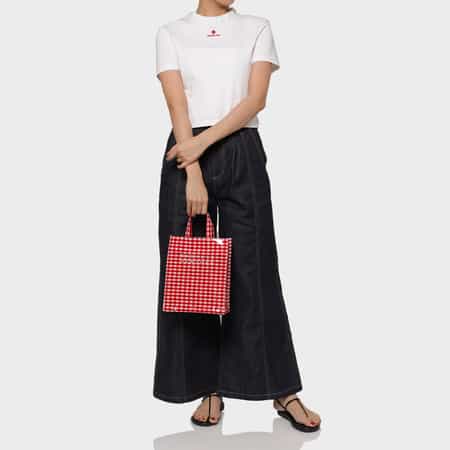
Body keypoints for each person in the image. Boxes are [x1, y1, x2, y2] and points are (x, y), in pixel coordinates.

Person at [153, 0, 321, 432]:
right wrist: (193, 169)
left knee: (256, 270)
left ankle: (282, 389)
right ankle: (207, 387)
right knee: (192, 275)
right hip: (186, 155)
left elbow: (255, 99)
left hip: (240, 148)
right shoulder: (171, 33)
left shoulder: (257, 26)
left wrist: (201, 144)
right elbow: (177, 105)